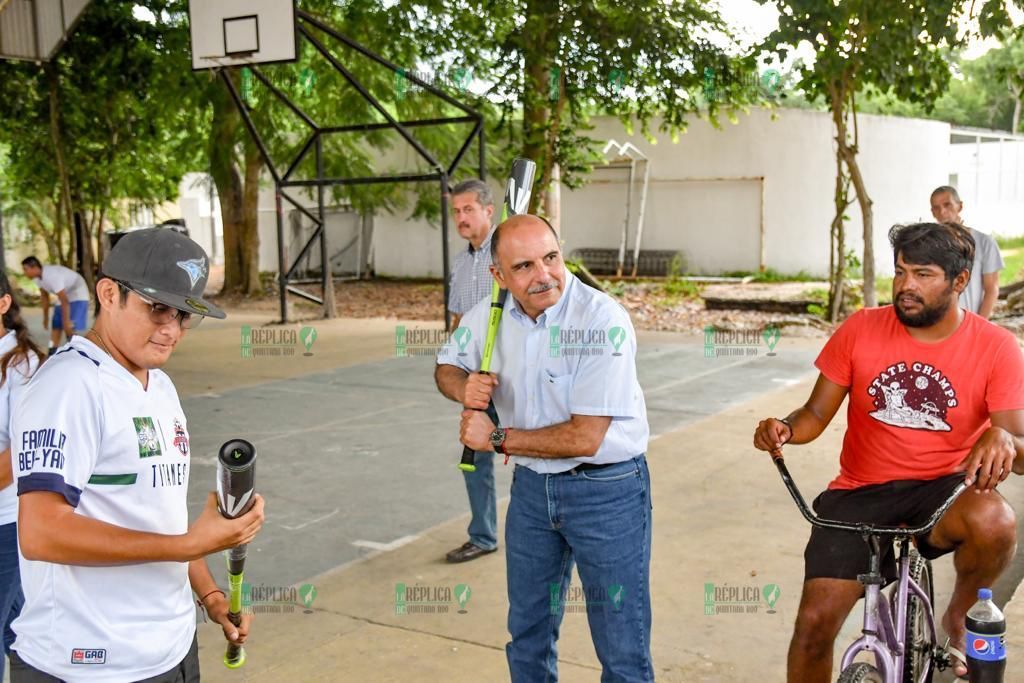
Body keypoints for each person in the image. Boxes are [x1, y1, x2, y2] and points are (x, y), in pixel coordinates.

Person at [753, 222, 1024, 682]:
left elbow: (1021, 448)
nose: (906, 287)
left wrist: (1004, 440)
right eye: (900, 272)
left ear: (960, 281)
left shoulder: (996, 347)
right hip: (859, 494)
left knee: (996, 520)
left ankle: (958, 616)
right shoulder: (860, 329)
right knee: (813, 628)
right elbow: (815, 414)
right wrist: (784, 428)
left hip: (944, 493)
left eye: (923, 274)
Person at [9, 228, 266, 682]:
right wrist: (189, 543)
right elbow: (41, 532)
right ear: (109, 294)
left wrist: (209, 596)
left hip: (170, 649)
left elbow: (158, 517)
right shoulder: (69, 385)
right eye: (157, 308)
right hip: (89, 663)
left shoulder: (159, 385)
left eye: (185, 315)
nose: (171, 328)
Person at [435, 214, 653, 682]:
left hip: (607, 491)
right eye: (525, 266)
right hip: (533, 491)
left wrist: (494, 438)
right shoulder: (491, 315)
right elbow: (446, 364)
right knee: (528, 634)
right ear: (498, 276)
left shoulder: (600, 320)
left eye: (551, 258)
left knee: (621, 646)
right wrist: (463, 387)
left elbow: (584, 436)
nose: (544, 276)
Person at [444, 179, 500, 564]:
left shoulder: (510, 253)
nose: (461, 218)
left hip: (519, 375)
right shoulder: (462, 264)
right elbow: (459, 321)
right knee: (474, 458)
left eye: (469, 210)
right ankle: (483, 535)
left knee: (537, 455)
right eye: (456, 212)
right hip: (478, 381)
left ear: (488, 211)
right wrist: (459, 374)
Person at [0, 276, 44, 683]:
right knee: (18, 625)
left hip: (8, 520)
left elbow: (20, 454)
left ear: (3, 304)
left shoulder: (22, 365)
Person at [929, 185, 1004, 319]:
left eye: (948, 205)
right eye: (936, 208)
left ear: (960, 206)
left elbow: (991, 289)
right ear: (932, 212)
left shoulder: (984, 242)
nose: (942, 212)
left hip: (972, 320)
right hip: (938, 323)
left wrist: (979, 325)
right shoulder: (930, 245)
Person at [19, 257, 90, 352]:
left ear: (34, 267)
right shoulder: (37, 279)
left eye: (25, 269)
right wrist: (46, 318)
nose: (24, 272)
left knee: (70, 326)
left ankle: (76, 350)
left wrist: (66, 321)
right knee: (56, 324)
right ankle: (52, 350)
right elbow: (44, 298)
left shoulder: (51, 275)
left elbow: (64, 301)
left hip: (77, 293)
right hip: (64, 295)